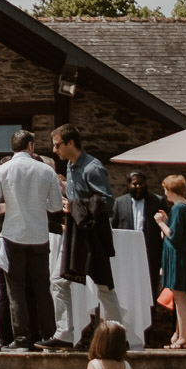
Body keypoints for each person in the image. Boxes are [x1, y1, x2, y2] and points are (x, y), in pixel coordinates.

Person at [0, 129, 62, 350]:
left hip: (13, 235)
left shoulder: (2, 170)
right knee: (42, 289)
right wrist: (39, 206)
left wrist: (11, 205)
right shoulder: (46, 170)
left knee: (15, 291)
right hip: (39, 236)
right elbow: (56, 206)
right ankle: (48, 335)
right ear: (30, 146)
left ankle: (21, 340)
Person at [51, 124, 122, 345]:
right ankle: (64, 335)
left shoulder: (93, 168)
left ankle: (117, 338)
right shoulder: (71, 167)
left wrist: (75, 206)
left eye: (57, 145)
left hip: (92, 235)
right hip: (74, 233)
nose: (54, 150)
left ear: (71, 143)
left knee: (103, 286)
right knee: (58, 281)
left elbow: (108, 202)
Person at [154, 174, 186, 349]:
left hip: (178, 256)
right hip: (182, 255)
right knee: (181, 298)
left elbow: (174, 235)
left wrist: (159, 223)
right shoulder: (185, 207)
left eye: (165, 189)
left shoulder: (179, 208)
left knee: (180, 298)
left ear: (171, 190)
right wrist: (167, 221)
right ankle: (181, 336)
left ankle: (184, 338)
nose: (165, 193)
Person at [111, 170, 165, 300]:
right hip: (127, 252)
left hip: (150, 252)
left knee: (150, 288)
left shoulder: (157, 201)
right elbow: (113, 226)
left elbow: (164, 224)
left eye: (141, 183)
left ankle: (150, 319)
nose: (139, 186)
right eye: (135, 184)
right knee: (128, 287)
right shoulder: (119, 202)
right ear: (129, 185)